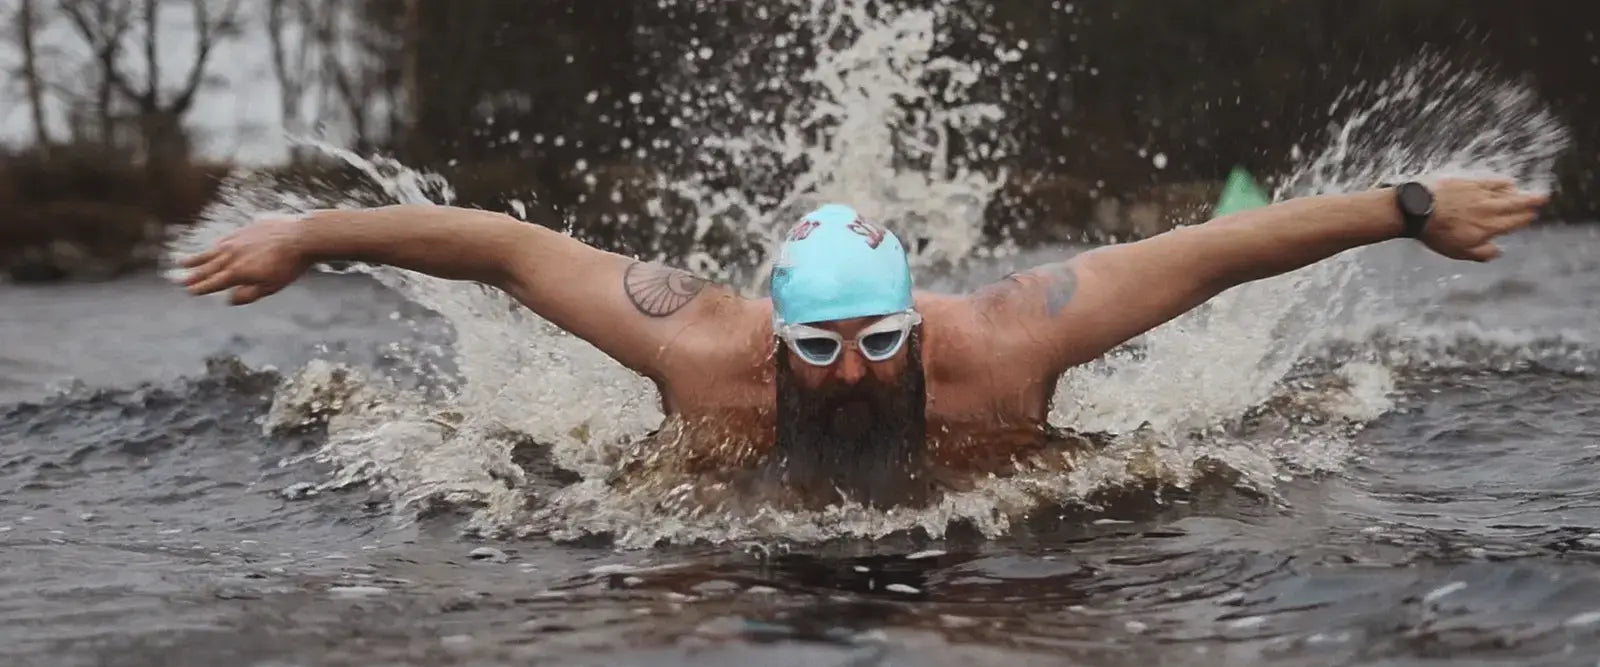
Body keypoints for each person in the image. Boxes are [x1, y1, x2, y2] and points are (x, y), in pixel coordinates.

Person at [177, 178, 1549, 509]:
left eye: (877, 341)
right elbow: (511, 249)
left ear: (918, 323)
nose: (848, 372)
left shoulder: (1005, 343)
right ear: (773, 334)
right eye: (818, 348)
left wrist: (1411, 210)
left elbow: (1215, 249)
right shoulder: (702, 350)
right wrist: (314, 235)